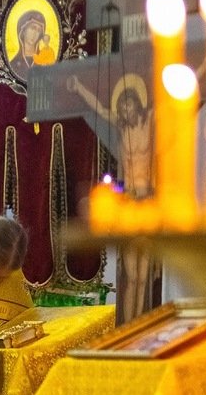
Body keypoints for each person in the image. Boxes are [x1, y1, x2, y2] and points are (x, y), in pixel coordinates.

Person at [66, 74, 156, 322]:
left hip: (147, 204)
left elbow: (172, 100)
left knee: (142, 276)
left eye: (129, 106)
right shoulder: (121, 127)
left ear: (137, 105)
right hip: (128, 204)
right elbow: (100, 109)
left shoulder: (149, 121)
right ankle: (128, 326)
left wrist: (202, 70)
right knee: (131, 275)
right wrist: (79, 87)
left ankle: (139, 324)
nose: (125, 112)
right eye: (122, 108)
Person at [9, 9, 47, 81]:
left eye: (38, 30)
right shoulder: (13, 65)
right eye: (32, 28)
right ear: (23, 31)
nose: (35, 33)